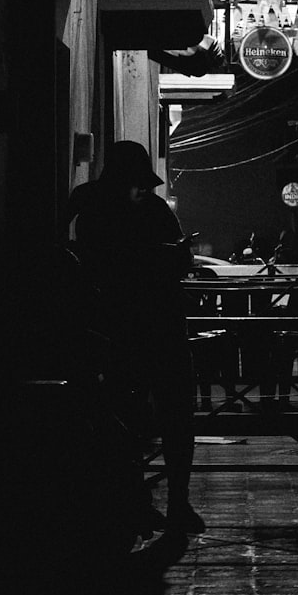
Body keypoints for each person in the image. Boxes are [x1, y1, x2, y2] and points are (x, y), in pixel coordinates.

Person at [67, 140, 205, 545]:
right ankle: (147, 501)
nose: (143, 190)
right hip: (140, 329)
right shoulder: (113, 210)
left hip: (124, 330)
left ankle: (158, 501)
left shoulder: (91, 205)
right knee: (147, 419)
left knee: (146, 419)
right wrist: (164, 256)